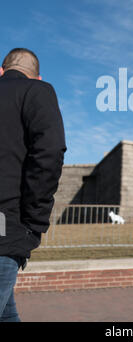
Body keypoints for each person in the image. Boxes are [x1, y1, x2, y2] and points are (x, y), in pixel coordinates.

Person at [0, 48, 66, 322]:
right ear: (37, 77)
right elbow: (49, 154)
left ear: (1, 71)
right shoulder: (37, 91)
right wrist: (34, 224)